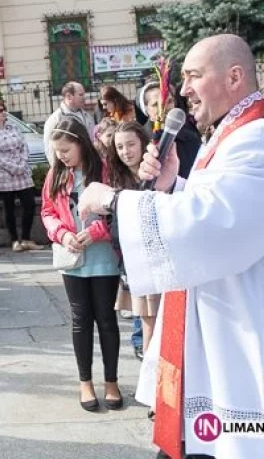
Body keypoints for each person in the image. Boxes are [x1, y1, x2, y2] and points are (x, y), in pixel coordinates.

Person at [79, 34, 264, 459]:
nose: (183, 90)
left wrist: (113, 201)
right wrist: (170, 187)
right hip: (225, 348)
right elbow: (211, 210)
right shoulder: (228, 137)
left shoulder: (262, 140)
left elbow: (215, 225)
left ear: (234, 76)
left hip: (259, 352)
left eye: (194, 76)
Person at [40, 118, 122, 413]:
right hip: (72, 258)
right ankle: (85, 381)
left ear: (80, 143)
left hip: (103, 259)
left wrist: (97, 231)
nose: (61, 155)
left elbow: (119, 207)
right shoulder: (56, 173)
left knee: (106, 319)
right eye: (57, 150)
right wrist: (62, 234)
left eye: (65, 149)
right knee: (80, 319)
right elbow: (48, 211)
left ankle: (111, 382)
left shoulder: (105, 169)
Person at [106, 122, 158, 360]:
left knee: (155, 311)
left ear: (143, 144)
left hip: (156, 252)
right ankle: (143, 348)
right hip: (130, 252)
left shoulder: (159, 172)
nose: (125, 151)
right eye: (119, 146)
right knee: (142, 309)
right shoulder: (116, 176)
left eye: (130, 144)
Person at [0, 100, 37, 252]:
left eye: (4, 109)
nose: (3, 112)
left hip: (22, 170)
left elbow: (24, 146)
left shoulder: (13, 127)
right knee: (9, 208)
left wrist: (22, 163)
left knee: (30, 204)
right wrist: (14, 168)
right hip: (5, 174)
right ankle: (14, 240)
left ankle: (26, 238)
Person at [139, 83, 200, 179]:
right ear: (146, 109)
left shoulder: (191, 138)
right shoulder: (138, 139)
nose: (164, 108)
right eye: (156, 104)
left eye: (170, 101)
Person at [43, 82, 96, 167]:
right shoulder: (55, 119)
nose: (84, 97)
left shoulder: (88, 116)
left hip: (88, 167)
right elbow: (51, 150)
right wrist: (59, 171)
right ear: (69, 96)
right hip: (67, 170)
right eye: (81, 94)